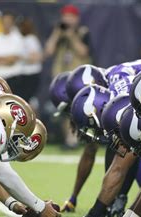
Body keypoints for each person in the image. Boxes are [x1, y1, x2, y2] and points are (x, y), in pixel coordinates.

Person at [45, 4, 92, 149]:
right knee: (64, 109)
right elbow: (48, 51)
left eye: (71, 17)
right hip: (61, 78)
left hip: (78, 78)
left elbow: (84, 52)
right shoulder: (59, 33)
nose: (68, 19)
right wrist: (56, 34)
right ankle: (69, 139)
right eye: (65, 16)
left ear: (77, 18)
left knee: (77, 109)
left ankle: (76, 139)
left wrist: (71, 36)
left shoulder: (83, 32)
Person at [16, 17, 43, 104]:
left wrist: (21, 58)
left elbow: (37, 58)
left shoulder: (31, 39)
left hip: (32, 74)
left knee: (28, 101)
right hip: (22, 74)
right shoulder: (18, 39)